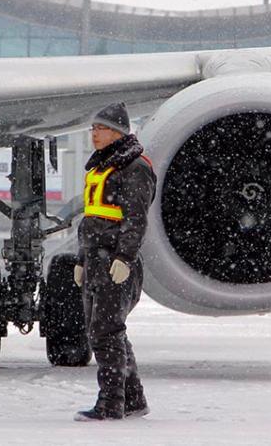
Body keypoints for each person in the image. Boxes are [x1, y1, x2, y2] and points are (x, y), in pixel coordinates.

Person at [73, 103, 156, 421]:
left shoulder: (134, 168)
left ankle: (111, 403)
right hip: (95, 260)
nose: (94, 135)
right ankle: (133, 399)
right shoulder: (101, 168)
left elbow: (136, 220)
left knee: (105, 333)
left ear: (119, 133)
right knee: (109, 332)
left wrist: (125, 257)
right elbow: (92, 220)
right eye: (93, 129)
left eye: (101, 129)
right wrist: (82, 258)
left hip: (115, 263)